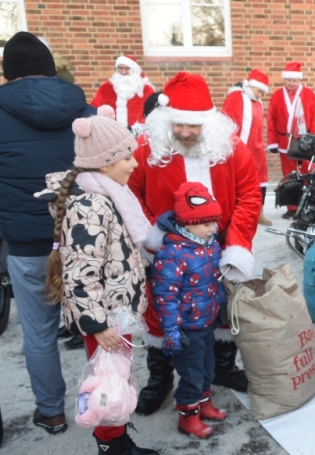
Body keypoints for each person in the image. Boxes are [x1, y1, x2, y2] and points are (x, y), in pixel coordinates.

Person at [0, 31, 95, 435]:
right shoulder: (88, 111)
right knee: (94, 326)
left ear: (8, 75)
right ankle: (102, 404)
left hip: (29, 246)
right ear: (50, 71)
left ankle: (51, 411)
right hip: (85, 239)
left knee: (39, 331)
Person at [129, 71, 262, 415]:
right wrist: (152, 236)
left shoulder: (232, 149)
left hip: (219, 244)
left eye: (193, 126)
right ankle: (160, 381)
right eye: (178, 125)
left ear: (209, 123)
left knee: (220, 310)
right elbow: (131, 195)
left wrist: (236, 244)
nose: (185, 133)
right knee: (162, 314)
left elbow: (249, 195)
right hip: (168, 250)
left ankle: (221, 368)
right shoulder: (146, 150)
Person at [38, 106, 158, 455]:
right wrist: (96, 324)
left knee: (119, 379)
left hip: (115, 314)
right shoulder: (91, 206)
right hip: (104, 319)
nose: (133, 164)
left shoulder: (109, 195)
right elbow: (80, 273)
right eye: (126, 157)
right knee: (107, 386)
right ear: (104, 164)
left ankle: (120, 442)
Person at [152, 182, 229, 439]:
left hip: (206, 321)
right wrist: (171, 330)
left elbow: (215, 281)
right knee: (191, 373)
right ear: (186, 223)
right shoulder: (171, 254)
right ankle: (188, 417)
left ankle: (204, 405)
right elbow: (165, 296)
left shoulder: (210, 245)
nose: (212, 228)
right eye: (206, 223)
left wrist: (221, 307)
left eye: (213, 222)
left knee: (208, 366)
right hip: (186, 328)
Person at [267, 61, 315, 219]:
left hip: (305, 141)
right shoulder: (277, 96)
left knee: (308, 172)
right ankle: (292, 206)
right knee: (289, 175)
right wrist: (272, 141)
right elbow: (271, 119)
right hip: (284, 140)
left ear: (299, 80)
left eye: (295, 80)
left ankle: (306, 205)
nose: (291, 83)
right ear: (284, 79)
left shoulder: (309, 94)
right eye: (289, 80)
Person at [221, 69, 273, 226]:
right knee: (240, 181)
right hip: (240, 147)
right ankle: (238, 214)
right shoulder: (236, 98)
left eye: (263, 92)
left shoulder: (257, 101)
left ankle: (258, 213)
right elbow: (229, 123)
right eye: (259, 91)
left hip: (256, 148)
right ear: (251, 86)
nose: (261, 95)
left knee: (260, 181)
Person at [91, 55, 155, 133]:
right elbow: (94, 109)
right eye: (120, 68)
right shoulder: (105, 88)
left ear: (134, 70)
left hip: (139, 132)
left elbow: (154, 113)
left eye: (127, 68)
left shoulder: (146, 89)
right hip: (112, 132)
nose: (123, 72)